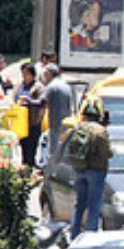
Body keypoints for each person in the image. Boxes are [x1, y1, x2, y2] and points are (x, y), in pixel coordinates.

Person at [66, 97, 112, 238]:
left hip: (79, 169)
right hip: (96, 172)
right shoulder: (100, 131)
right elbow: (107, 153)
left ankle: (74, 235)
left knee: (79, 204)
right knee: (94, 205)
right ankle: (91, 237)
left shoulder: (78, 128)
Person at [41, 64, 75, 168]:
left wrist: (28, 100)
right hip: (67, 121)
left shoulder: (51, 86)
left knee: (54, 149)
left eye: (45, 74)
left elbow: (42, 101)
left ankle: (53, 170)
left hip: (55, 122)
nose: (44, 76)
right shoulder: (66, 85)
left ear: (50, 74)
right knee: (64, 148)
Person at [16, 63, 46, 171]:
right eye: (22, 74)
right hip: (21, 123)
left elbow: (41, 102)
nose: (24, 77)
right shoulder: (21, 85)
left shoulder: (38, 87)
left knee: (31, 150)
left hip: (33, 123)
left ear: (32, 75)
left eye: (26, 74)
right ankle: (24, 172)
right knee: (23, 149)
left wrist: (28, 100)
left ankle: (29, 172)